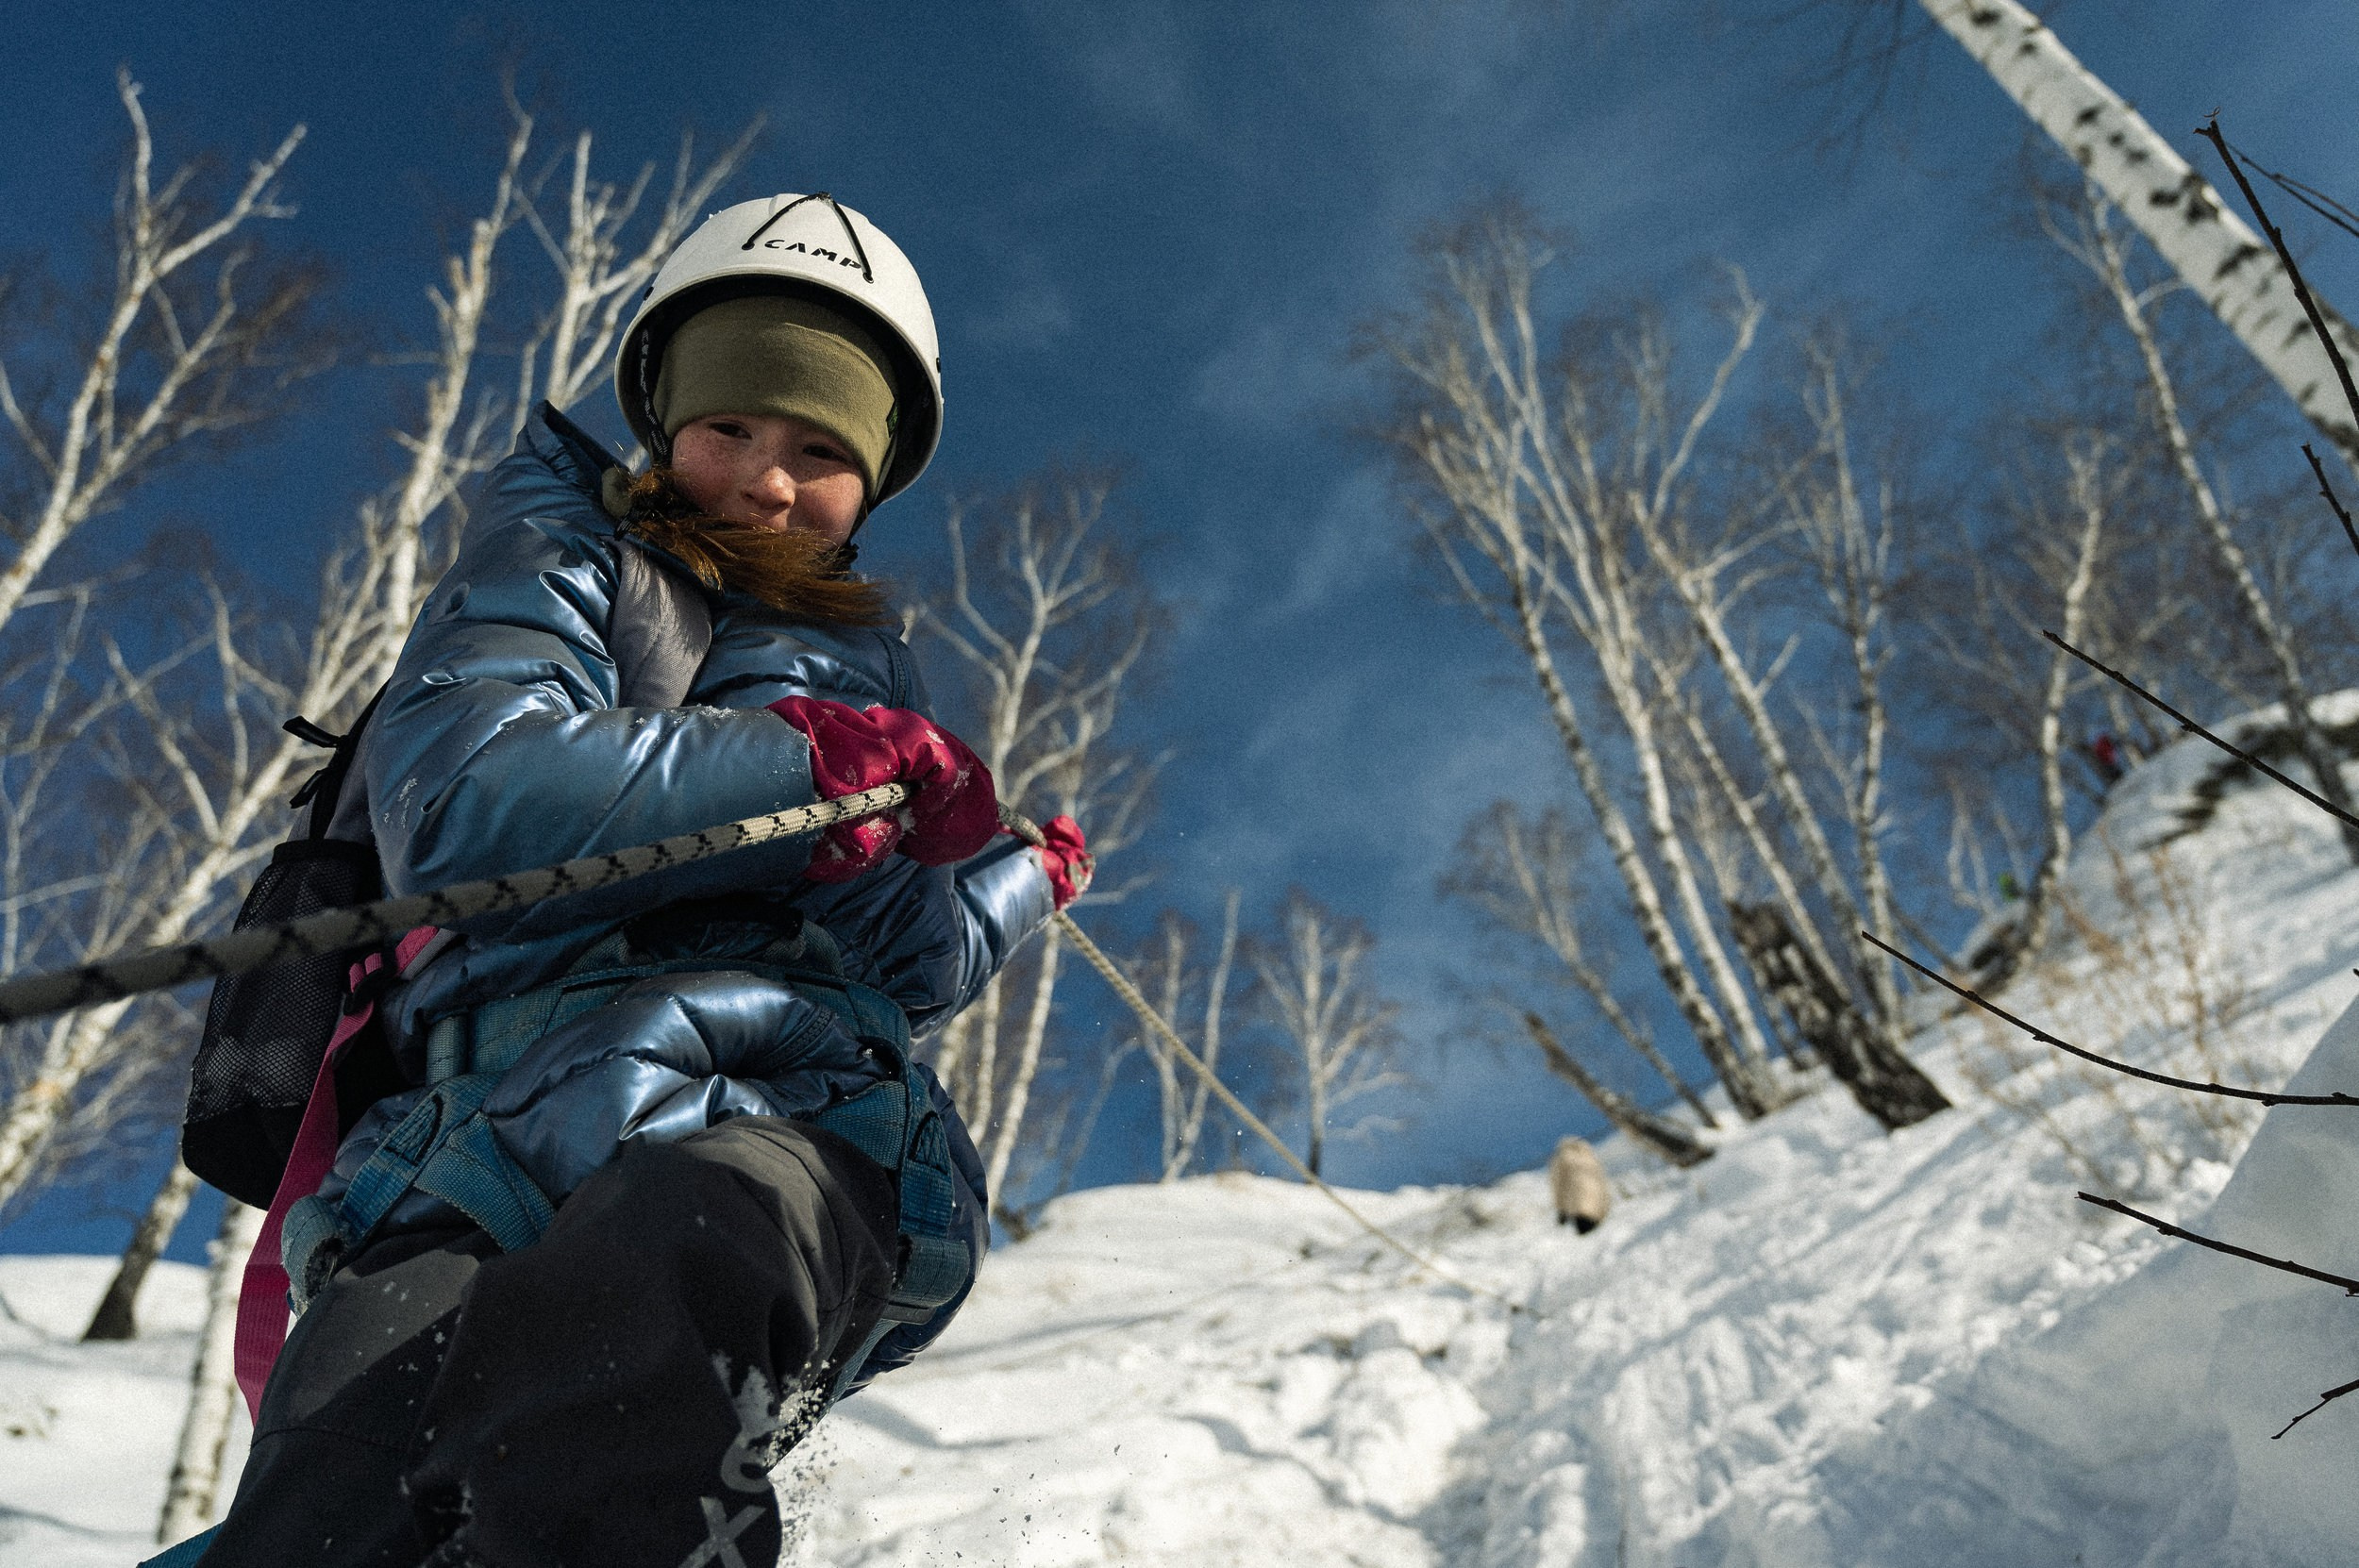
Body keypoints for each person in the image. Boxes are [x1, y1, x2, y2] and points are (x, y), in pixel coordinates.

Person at [197, 193, 1090, 1568]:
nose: (770, 478)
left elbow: (898, 966)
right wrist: (792, 771)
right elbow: (465, 797)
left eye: (819, 449)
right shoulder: (568, 557)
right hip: (479, 1137)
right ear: (666, 419)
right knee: (328, 1500)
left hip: (791, 1129)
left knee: (635, 1328)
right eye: (732, 425)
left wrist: (1018, 875)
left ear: (876, 477)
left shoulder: (861, 664)